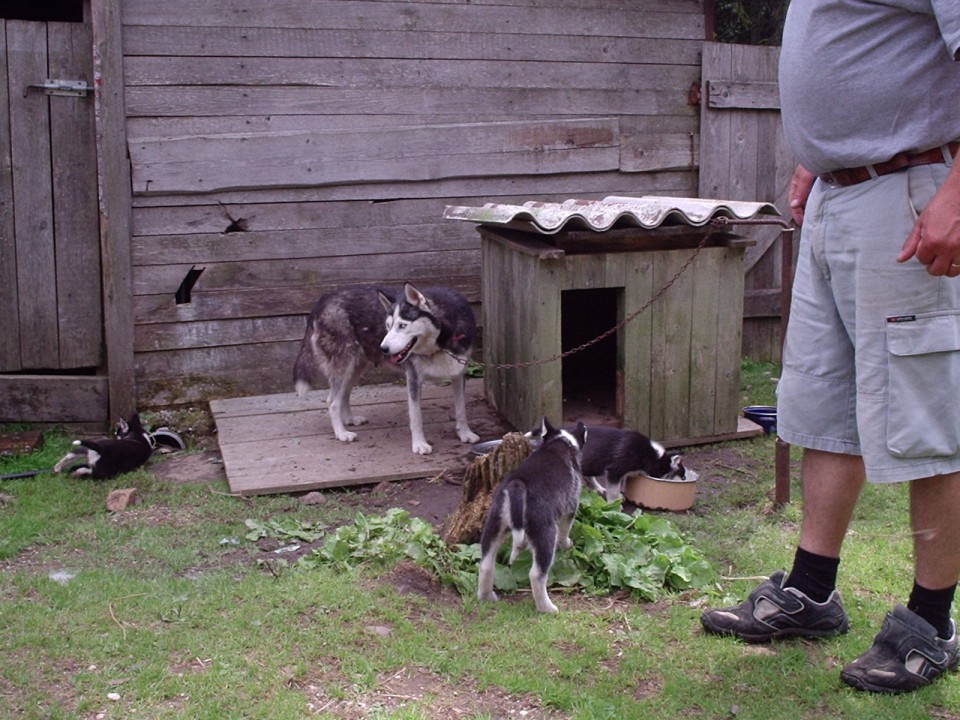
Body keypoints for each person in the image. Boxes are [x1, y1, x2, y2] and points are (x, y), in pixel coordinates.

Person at [699, 1, 960, 694]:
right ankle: (811, 593)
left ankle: (931, 624)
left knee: (927, 417)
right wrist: (818, 158)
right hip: (838, 196)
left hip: (911, 193)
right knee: (820, 404)